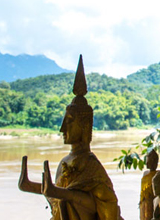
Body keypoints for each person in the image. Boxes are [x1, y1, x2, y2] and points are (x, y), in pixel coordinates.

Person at [18, 56, 121, 220]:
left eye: (69, 122)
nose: (62, 128)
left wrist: (64, 194)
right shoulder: (65, 162)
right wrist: (30, 185)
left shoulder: (90, 165)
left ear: (83, 126)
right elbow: (56, 193)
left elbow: (104, 203)